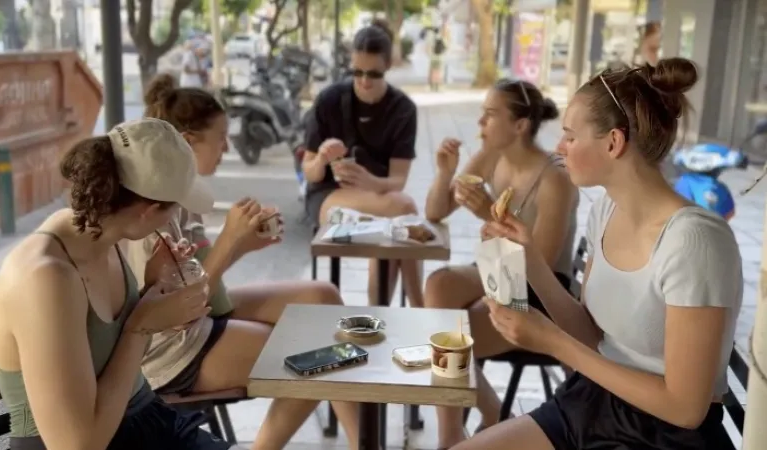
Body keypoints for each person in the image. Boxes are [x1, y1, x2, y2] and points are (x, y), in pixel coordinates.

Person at [457, 58, 742, 450]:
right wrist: (530, 261)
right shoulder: (605, 211)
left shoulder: (695, 242)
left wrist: (553, 343)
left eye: (570, 136)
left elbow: (685, 408)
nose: (559, 148)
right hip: (593, 401)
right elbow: (590, 335)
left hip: (666, 436)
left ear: (613, 142)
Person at [127, 73, 361, 449]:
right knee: (321, 356)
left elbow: (208, 290)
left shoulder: (186, 193)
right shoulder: (157, 208)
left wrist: (244, 244)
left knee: (323, 296)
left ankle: (360, 443)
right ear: (187, 143)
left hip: (201, 315)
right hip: (171, 351)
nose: (227, 148)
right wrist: (231, 240)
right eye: (221, 139)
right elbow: (182, 308)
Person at [0, 118, 238, 449]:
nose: (175, 218)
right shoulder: (45, 279)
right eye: (174, 208)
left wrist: (153, 291)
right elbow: (76, 445)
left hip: (142, 421)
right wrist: (141, 327)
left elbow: (112, 361)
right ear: (147, 212)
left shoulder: (103, 237)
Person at [423, 79, 578, 448]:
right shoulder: (491, 155)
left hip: (542, 294)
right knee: (438, 286)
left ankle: (467, 428)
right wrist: (446, 171)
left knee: (446, 335)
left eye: (490, 115)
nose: (480, 124)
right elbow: (435, 211)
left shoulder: (554, 179)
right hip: (502, 271)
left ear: (520, 125)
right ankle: (481, 416)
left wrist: (488, 216)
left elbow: (539, 265)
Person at [302, 19, 423, 307]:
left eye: (373, 73)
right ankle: (420, 308)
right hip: (328, 197)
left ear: (388, 66)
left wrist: (370, 182)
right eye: (357, 72)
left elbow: (398, 180)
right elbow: (309, 172)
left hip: (380, 198)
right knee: (404, 209)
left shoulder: (402, 109)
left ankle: (378, 315)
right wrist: (321, 158)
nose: (364, 81)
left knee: (394, 228)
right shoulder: (330, 100)